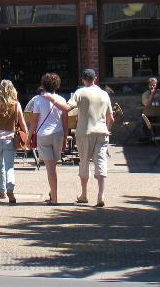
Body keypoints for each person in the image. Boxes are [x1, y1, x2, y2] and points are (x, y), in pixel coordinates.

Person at [45, 69, 113, 207]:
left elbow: (66, 108)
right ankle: (101, 195)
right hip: (102, 132)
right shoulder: (104, 94)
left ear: (82, 79)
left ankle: (84, 194)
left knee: (84, 162)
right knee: (101, 162)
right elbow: (111, 118)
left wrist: (52, 99)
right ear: (95, 78)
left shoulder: (80, 92)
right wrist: (107, 129)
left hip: (84, 132)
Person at [0, 79, 27, 204]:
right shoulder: (16, 105)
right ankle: (10, 188)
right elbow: (23, 124)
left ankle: (1, 191)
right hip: (9, 139)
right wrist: (27, 136)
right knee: (9, 166)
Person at [28, 72, 68, 205]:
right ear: (57, 85)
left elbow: (34, 121)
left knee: (50, 168)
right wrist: (65, 138)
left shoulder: (38, 100)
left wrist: (29, 137)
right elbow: (65, 121)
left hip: (43, 135)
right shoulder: (62, 100)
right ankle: (52, 192)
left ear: (43, 85)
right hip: (58, 134)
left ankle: (54, 197)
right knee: (53, 167)